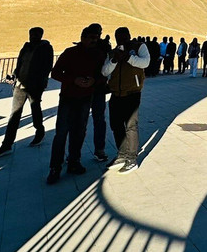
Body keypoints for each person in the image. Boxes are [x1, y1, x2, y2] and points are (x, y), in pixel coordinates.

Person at [48, 26, 107, 184]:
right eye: (90, 37)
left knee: (79, 132)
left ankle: (74, 162)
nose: (94, 40)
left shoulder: (99, 55)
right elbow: (55, 73)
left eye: (96, 37)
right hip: (68, 98)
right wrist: (74, 80)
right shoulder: (70, 53)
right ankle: (55, 167)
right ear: (82, 37)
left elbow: (104, 76)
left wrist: (93, 81)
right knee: (61, 133)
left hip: (85, 99)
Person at [0, 27, 54, 158]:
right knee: (14, 115)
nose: (33, 36)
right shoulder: (26, 47)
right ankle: (7, 145)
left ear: (41, 35)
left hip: (35, 86)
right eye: (32, 34)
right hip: (20, 85)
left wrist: (42, 83)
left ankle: (39, 131)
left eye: (36, 34)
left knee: (35, 109)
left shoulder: (46, 48)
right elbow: (20, 63)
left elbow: (47, 67)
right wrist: (15, 76)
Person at [102, 27, 150, 175]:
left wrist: (128, 58)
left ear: (129, 35)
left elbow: (145, 63)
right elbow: (105, 71)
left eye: (124, 36)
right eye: (118, 37)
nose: (121, 39)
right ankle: (122, 154)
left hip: (132, 92)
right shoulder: (112, 52)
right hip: (116, 93)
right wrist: (115, 59)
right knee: (116, 125)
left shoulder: (139, 46)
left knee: (131, 126)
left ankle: (132, 159)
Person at [86, 23, 111, 162]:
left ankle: (99, 149)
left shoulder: (103, 47)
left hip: (96, 88)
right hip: (88, 88)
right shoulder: (86, 47)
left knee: (98, 120)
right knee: (95, 120)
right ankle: (97, 150)